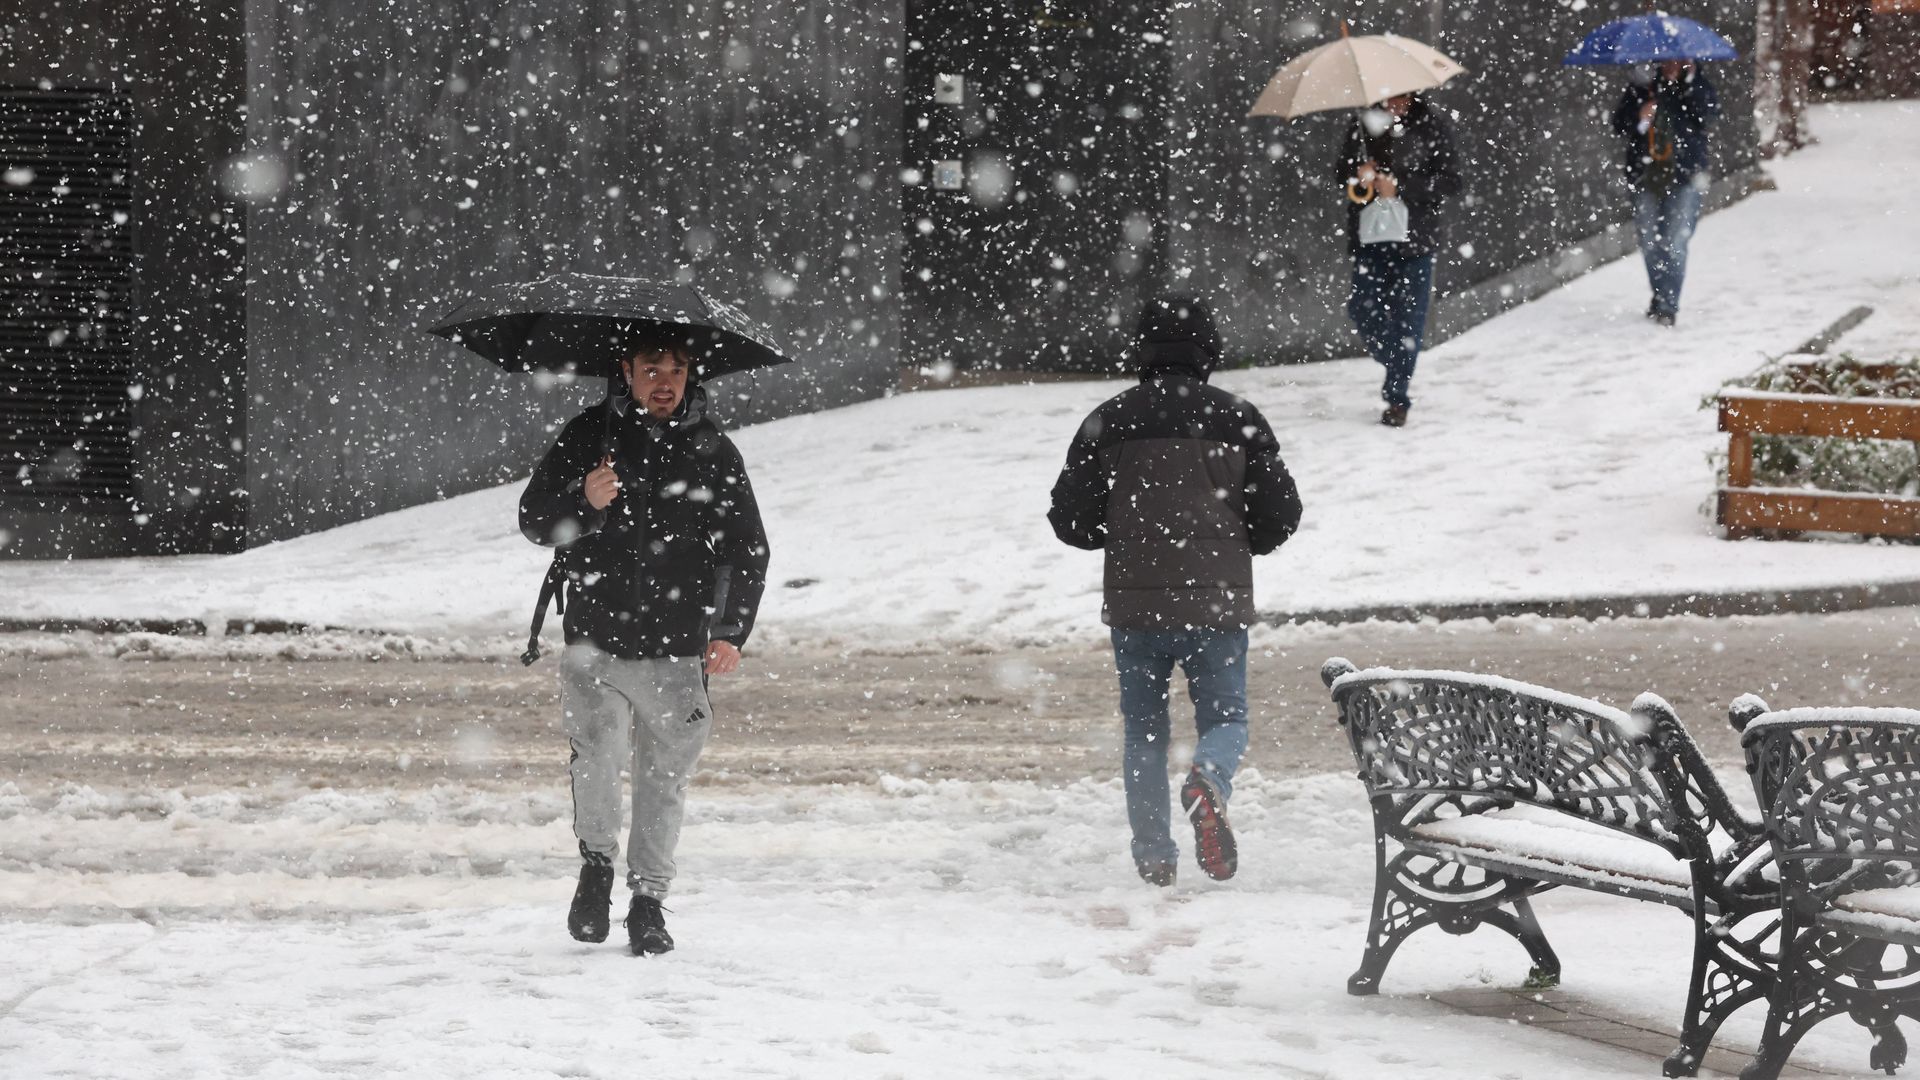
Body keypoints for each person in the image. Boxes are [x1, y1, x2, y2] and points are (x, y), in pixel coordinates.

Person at [518, 330, 769, 955]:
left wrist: (729, 631)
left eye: (677, 370)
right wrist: (584, 499)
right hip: (595, 639)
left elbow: (745, 547)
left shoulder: (712, 450)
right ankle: (596, 869)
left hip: (677, 644)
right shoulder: (588, 435)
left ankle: (649, 902)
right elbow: (535, 520)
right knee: (596, 762)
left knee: (664, 781)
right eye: (652, 369)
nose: (665, 382)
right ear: (626, 370)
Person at [1047, 297, 1304, 887]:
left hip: (1135, 605)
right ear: (1207, 351)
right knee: (1227, 716)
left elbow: (1070, 520)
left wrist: (1120, 533)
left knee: (1144, 731)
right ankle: (1208, 777)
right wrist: (1239, 542)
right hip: (1216, 600)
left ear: (1142, 350)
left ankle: (1154, 855)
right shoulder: (1238, 417)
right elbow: (1281, 514)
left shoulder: (1108, 419)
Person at [1338, 92, 1462, 428]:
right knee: (1362, 309)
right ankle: (1396, 360)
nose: (1396, 100)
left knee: (1409, 321)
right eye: (1390, 94)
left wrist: (1401, 187)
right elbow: (1340, 174)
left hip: (1415, 241)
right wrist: (1358, 173)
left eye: (1403, 94)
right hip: (1371, 239)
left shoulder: (1431, 126)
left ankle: (1397, 398)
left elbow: (1452, 181)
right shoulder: (1362, 125)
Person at [1611, 61, 1719, 327]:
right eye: (1668, 60)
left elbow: (1708, 114)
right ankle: (1661, 296)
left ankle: (1667, 305)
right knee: (1649, 242)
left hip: (1685, 176)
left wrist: (1689, 84)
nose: (1673, 65)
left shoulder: (1697, 84)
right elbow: (1619, 124)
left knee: (1675, 241)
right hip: (1645, 175)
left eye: (1679, 61)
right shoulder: (1643, 86)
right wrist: (1641, 116)